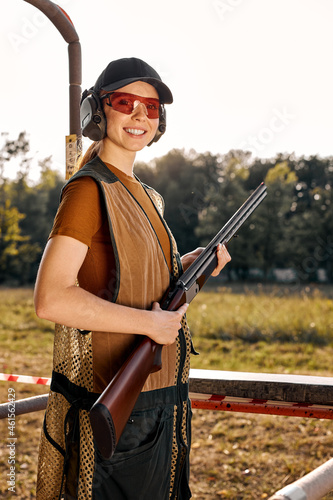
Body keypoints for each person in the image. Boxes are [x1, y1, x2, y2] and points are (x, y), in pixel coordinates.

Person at [34, 57, 231, 500]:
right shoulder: (88, 190)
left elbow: (140, 288)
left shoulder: (145, 194)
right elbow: (51, 299)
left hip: (159, 405)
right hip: (124, 412)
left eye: (153, 106)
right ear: (98, 113)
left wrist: (190, 266)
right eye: (126, 102)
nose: (141, 114)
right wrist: (147, 325)